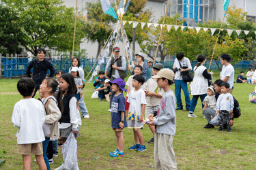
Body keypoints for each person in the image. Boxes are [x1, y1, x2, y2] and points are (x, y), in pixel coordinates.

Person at [11, 78, 47, 170]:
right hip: (37, 135)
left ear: (19, 91)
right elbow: (42, 118)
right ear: (34, 90)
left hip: (24, 135)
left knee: (26, 158)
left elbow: (16, 122)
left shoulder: (18, 105)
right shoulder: (39, 103)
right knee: (40, 157)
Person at [148, 68, 177, 170]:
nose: (156, 81)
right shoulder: (165, 95)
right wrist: (154, 115)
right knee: (159, 158)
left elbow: (170, 114)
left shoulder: (169, 96)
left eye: (158, 79)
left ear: (165, 81)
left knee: (166, 159)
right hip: (160, 129)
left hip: (166, 131)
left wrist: (155, 121)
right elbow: (163, 111)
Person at [55, 73, 81, 170]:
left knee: (70, 148)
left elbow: (73, 113)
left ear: (69, 83)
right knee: (64, 147)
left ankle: (73, 166)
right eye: (59, 82)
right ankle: (66, 164)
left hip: (68, 126)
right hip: (61, 125)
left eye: (62, 82)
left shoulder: (72, 97)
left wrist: (74, 126)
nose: (60, 84)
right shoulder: (62, 95)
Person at [39, 78, 61, 170]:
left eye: (42, 84)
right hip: (43, 131)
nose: (40, 85)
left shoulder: (50, 100)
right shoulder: (45, 99)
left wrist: (42, 119)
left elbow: (57, 114)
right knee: (42, 154)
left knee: (43, 155)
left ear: (49, 89)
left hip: (46, 132)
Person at [143, 63, 165, 144]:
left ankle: (158, 136)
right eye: (154, 70)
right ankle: (156, 135)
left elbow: (162, 95)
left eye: (157, 70)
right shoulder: (150, 80)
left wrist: (153, 94)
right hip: (149, 103)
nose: (154, 72)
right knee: (148, 120)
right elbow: (144, 89)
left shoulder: (162, 81)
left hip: (158, 104)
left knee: (157, 121)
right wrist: (146, 92)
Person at [127, 74, 147, 152]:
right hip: (132, 114)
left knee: (137, 129)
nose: (133, 82)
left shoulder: (141, 92)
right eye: (133, 81)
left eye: (135, 81)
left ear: (140, 83)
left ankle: (142, 145)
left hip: (138, 114)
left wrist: (142, 115)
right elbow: (129, 103)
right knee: (133, 129)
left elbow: (143, 104)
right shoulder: (131, 92)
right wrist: (127, 113)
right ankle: (137, 144)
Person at [105, 45, 127, 111]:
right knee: (112, 92)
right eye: (115, 52)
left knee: (121, 92)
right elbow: (107, 66)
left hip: (120, 77)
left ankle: (121, 106)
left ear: (119, 52)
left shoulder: (122, 58)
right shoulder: (111, 59)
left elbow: (124, 68)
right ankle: (111, 107)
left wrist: (116, 67)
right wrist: (106, 74)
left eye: (117, 52)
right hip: (113, 77)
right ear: (113, 52)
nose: (116, 53)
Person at [109, 78, 127, 157]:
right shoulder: (114, 96)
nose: (112, 86)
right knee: (117, 134)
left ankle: (121, 151)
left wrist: (122, 121)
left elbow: (122, 110)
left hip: (120, 119)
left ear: (119, 87)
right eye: (112, 84)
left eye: (114, 85)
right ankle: (118, 148)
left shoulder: (121, 97)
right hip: (115, 119)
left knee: (119, 134)